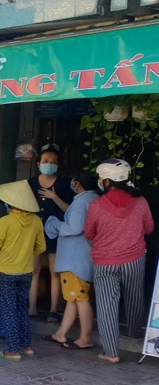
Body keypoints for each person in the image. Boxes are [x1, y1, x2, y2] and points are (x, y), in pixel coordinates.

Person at [85, 159, 155, 364]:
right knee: (134, 297)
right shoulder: (141, 201)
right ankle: (134, 335)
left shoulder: (96, 206)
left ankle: (111, 352)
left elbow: (89, 232)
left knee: (107, 306)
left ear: (107, 181)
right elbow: (149, 228)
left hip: (105, 262)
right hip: (135, 259)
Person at [0, 180, 46, 360]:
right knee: (22, 308)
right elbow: (41, 248)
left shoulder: (5, 221)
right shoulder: (36, 221)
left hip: (5, 271)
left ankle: (13, 350)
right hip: (25, 271)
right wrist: (25, 253)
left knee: (8, 310)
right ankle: (26, 346)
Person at [44, 171, 99, 350]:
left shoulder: (82, 201)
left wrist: (54, 224)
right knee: (73, 298)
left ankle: (85, 338)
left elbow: (74, 227)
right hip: (82, 257)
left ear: (77, 183)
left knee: (80, 299)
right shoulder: (92, 199)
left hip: (74, 259)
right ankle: (61, 334)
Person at [27, 144, 73, 321]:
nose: (49, 164)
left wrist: (54, 197)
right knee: (34, 271)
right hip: (34, 232)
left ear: (58, 165)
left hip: (55, 233)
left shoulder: (63, 185)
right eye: (45, 161)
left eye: (53, 162)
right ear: (38, 163)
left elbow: (70, 210)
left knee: (55, 272)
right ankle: (31, 308)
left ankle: (54, 310)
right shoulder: (30, 184)